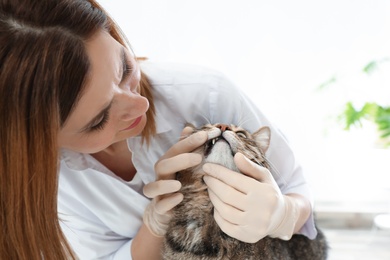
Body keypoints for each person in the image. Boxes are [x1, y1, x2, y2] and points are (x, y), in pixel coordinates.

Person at [0, 0, 317, 259]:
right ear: (44, 143)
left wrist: (283, 214)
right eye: (98, 119)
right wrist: (154, 224)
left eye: (124, 67)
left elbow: (296, 188)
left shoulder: (205, 93)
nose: (141, 106)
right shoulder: (44, 185)